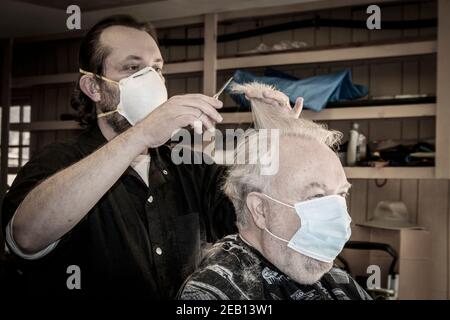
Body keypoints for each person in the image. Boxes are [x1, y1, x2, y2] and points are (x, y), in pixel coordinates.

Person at [1, 16, 302, 298]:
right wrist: (140, 135)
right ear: (93, 87)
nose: (152, 79)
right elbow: (25, 237)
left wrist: (281, 142)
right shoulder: (58, 161)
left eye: (156, 68)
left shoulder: (191, 167)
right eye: (133, 69)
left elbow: (267, 221)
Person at [178, 83, 371, 300]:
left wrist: (288, 136)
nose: (337, 218)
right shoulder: (215, 292)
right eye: (317, 196)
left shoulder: (339, 282)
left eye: (341, 195)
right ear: (260, 210)